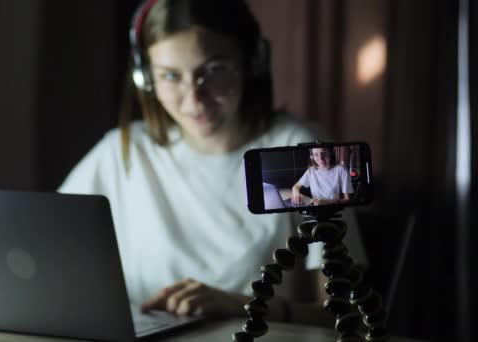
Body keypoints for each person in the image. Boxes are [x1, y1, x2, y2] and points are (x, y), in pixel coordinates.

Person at [58, 0, 366, 325]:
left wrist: (245, 307)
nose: (193, 99)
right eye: (171, 76)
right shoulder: (125, 151)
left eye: (214, 71)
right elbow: (48, 240)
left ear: (252, 62)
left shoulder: (305, 151)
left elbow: (350, 316)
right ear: (144, 77)